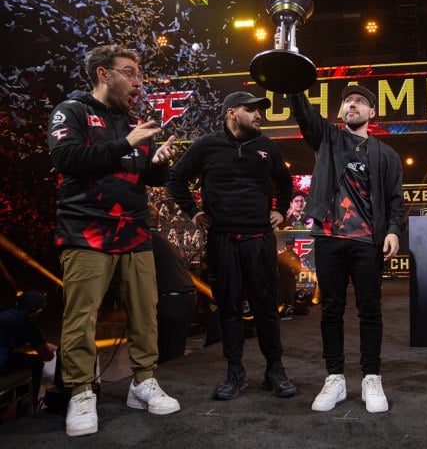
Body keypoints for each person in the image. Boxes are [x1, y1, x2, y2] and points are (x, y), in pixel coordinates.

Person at [47, 45, 180, 437]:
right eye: (129, 73)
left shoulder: (133, 122)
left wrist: (159, 162)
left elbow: (147, 177)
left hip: (134, 232)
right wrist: (128, 144)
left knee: (145, 311)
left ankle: (143, 381)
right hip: (86, 231)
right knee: (81, 317)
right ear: (104, 75)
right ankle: (81, 392)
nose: (137, 82)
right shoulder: (71, 111)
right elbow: (67, 158)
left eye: (139, 74)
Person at [167, 91, 296, 401]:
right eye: (251, 110)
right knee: (229, 309)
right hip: (222, 240)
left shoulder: (267, 147)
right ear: (231, 113)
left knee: (266, 307)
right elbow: (175, 178)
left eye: (259, 111)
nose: (258, 115)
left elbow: (285, 182)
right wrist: (193, 211)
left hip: (258, 240)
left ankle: (274, 370)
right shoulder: (206, 145)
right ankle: (234, 372)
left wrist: (283, 208)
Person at [286, 85, 404, 414]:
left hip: (367, 242)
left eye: (360, 101)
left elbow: (396, 200)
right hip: (328, 238)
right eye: (347, 101)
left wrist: (394, 231)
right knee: (331, 310)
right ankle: (335, 377)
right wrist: (292, 83)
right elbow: (305, 114)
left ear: (372, 113)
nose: (352, 104)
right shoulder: (328, 138)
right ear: (341, 112)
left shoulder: (386, 155)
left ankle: (371, 376)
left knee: (370, 311)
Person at [147, 205, 198, 364]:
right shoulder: (165, 240)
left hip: (171, 299)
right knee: (175, 352)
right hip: (187, 296)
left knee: (165, 352)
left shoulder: (147, 241)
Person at [0, 291, 56, 404]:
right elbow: (48, 356)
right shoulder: (27, 325)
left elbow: (11, 337)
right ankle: (28, 403)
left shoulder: (6, 315)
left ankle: (10, 402)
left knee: (19, 359)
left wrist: (39, 343)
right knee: (36, 362)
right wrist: (46, 348)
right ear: (38, 310)